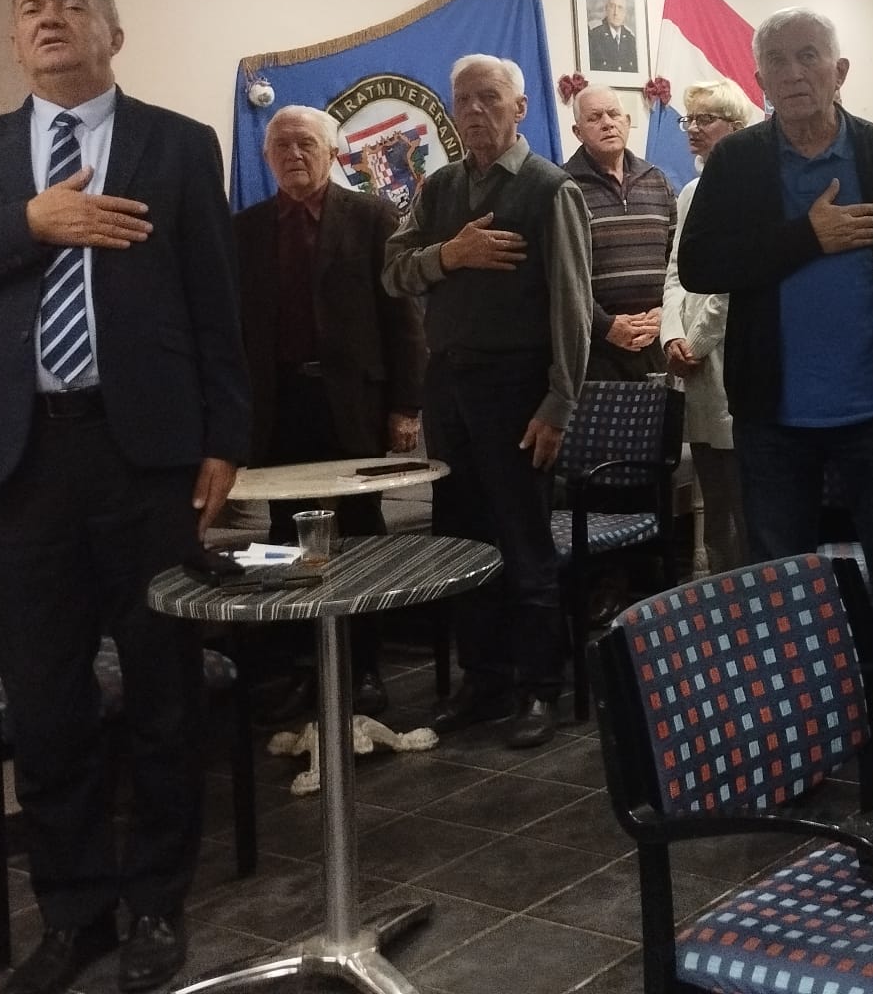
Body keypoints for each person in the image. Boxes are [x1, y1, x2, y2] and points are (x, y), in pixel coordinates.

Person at [0, 0, 248, 994]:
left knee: (164, 689)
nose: (50, 19)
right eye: (31, 9)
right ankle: (75, 913)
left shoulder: (178, 145)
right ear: (13, 41)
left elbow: (217, 301)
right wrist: (28, 225)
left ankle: (157, 903)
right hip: (19, 463)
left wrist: (226, 435)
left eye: (72, 5)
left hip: (148, 457)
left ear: (113, 34)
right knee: (46, 701)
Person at [677, 8, 873, 773]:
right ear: (759, 77)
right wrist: (807, 238)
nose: (794, 73)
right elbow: (700, 266)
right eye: (778, 61)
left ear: (839, 70)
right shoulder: (737, 163)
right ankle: (800, 740)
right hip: (774, 419)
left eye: (809, 56)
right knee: (780, 590)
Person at [381, 54, 592, 747]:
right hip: (449, 389)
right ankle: (485, 680)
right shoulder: (439, 187)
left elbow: (572, 308)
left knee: (524, 541)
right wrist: (451, 256)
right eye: (464, 99)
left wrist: (559, 403)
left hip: (518, 390)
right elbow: (393, 273)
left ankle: (540, 688)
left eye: (489, 98)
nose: (475, 110)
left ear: (519, 107)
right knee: (461, 541)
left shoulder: (550, 189)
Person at [233, 105, 425, 719]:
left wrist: (405, 405)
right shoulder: (245, 230)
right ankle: (301, 665)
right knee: (282, 536)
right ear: (267, 157)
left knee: (360, 530)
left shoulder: (372, 217)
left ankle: (363, 667)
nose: (293, 154)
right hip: (277, 408)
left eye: (306, 144)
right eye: (282, 145)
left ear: (333, 152)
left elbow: (403, 318)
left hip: (352, 406)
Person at [660, 78, 757, 572]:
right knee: (715, 505)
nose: (694, 129)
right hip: (692, 365)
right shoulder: (691, 192)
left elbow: (734, 281)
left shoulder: (750, 186)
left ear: (735, 127)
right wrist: (671, 335)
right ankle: (721, 600)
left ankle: (753, 601)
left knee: (744, 506)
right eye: (690, 119)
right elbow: (677, 270)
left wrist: (695, 342)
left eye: (706, 119)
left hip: (727, 359)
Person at [564, 85, 677, 380]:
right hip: (594, 351)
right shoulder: (562, 187)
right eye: (595, 117)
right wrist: (606, 326)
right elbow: (558, 276)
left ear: (627, 121)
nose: (607, 123)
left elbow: (678, 261)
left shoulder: (657, 180)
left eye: (614, 114)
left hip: (658, 344)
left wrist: (666, 313)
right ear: (577, 131)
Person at [588, 0, 639, 72]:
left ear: (625, 12)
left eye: (620, 7)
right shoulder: (593, 35)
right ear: (606, 8)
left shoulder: (631, 39)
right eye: (612, 6)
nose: (616, 13)